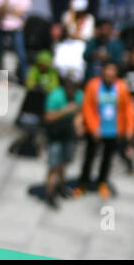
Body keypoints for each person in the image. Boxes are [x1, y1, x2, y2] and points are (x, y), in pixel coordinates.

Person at [74, 61, 134, 198]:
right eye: (107, 72)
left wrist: (129, 128)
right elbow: (87, 107)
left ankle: (102, 182)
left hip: (113, 130)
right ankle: (83, 182)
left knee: (107, 159)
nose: (109, 75)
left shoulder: (122, 87)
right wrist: (92, 127)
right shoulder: (93, 85)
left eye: (112, 73)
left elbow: (128, 108)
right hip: (96, 130)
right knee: (89, 157)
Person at [43, 73, 83, 208]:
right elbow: (48, 117)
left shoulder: (78, 95)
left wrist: (79, 124)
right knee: (53, 166)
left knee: (63, 163)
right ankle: (49, 193)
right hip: (55, 135)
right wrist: (65, 110)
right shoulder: (55, 96)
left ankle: (60, 187)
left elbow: (79, 113)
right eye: (70, 86)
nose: (73, 90)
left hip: (69, 134)